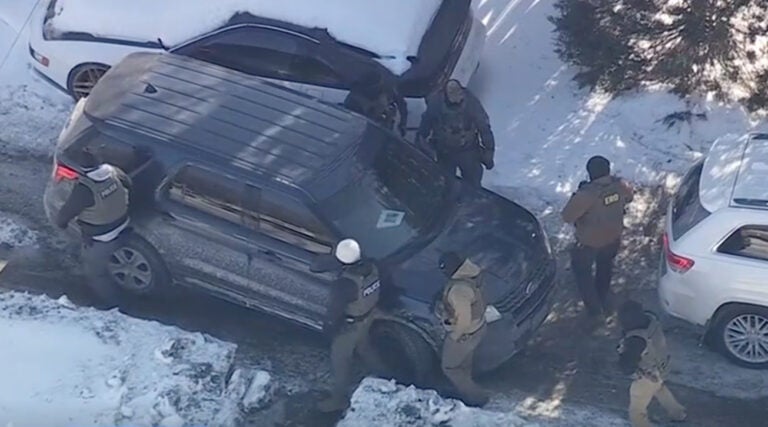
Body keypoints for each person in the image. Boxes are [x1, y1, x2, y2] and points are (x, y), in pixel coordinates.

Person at [55, 151, 131, 309]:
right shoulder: (112, 172)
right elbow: (128, 183)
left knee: (96, 273)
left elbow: (64, 216)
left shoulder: (85, 190)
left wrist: (61, 226)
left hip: (102, 238)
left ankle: (112, 304)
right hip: (123, 224)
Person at [561, 155, 633, 316]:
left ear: (590, 174)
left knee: (582, 272)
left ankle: (594, 310)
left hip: (589, 243)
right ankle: (602, 295)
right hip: (613, 237)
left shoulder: (587, 194)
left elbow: (567, 216)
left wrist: (579, 193)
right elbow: (629, 197)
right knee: (605, 266)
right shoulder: (620, 186)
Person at [318, 238, 382, 412]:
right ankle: (384, 376)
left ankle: (338, 399)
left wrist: (329, 328)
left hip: (350, 325)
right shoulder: (371, 267)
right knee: (365, 348)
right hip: (368, 317)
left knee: (340, 359)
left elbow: (334, 311)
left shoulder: (345, 284)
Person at [617, 300, 687, 427]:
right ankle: (678, 413)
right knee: (659, 388)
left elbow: (626, 365)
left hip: (647, 376)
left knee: (637, 410)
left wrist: (624, 357)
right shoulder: (651, 321)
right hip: (662, 366)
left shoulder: (636, 340)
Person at [416, 79, 495, 187]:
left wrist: (489, 152)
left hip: (468, 150)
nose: (456, 97)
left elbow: (484, 128)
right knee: (446, 184)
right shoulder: (436, 104)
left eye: (458, 93)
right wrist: (424, 149)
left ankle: (472, 200)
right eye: (452, 93)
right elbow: (424, 126)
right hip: (445, 152)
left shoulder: (471, 103)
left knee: (473, 183)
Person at [435, 252, 490, 407]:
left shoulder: (458, 290)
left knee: (450, 367)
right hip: (478, 327)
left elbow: (464, 319)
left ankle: (476, 398)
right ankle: (464, 387)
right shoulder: (472, 273)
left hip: (465, 333)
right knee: (463, 363)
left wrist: (455, 336)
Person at [343, 70, 408, 136]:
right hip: (362, 131)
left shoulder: (387, 89)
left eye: (379, 85)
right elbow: (350, 120)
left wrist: (403, 123)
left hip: (386, 128)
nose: (378, 88)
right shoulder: (353, 99)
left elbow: (402, 104)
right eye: (374, 88)